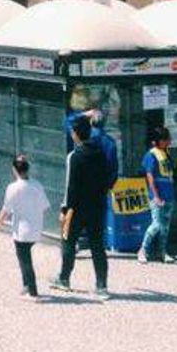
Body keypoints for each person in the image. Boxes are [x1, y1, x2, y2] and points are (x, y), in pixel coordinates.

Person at [51, 115, 110, 298]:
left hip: (76, 208)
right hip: (97, 206)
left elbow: (71, 186)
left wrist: (64, 209)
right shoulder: (100, 153)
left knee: (68, 240)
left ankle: (64, 279)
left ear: (76, 134)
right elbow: (106, 179)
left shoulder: (74, 156)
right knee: (97, 245)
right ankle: (101, 286)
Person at [0, 154, 50, 299]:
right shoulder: (37, 185)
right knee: (24, 257)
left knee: (25, 260)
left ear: (14, 170)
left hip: (22, 231)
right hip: (36, 228)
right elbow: (45, 207)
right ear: (28, 169)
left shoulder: (13, 188)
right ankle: (26, 285)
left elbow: (6, 210)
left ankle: (33, 291)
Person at [138, 126, 177, 264]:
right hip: (158, 196)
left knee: (165, 227)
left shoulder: (166, 153)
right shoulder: (151, 155)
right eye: (165, 139)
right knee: (156, 224)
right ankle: (143, 250)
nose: (168, 141)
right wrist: (156, 196)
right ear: (156, 141)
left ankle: (162, 251)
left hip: (169, 194)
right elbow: (150, 177)